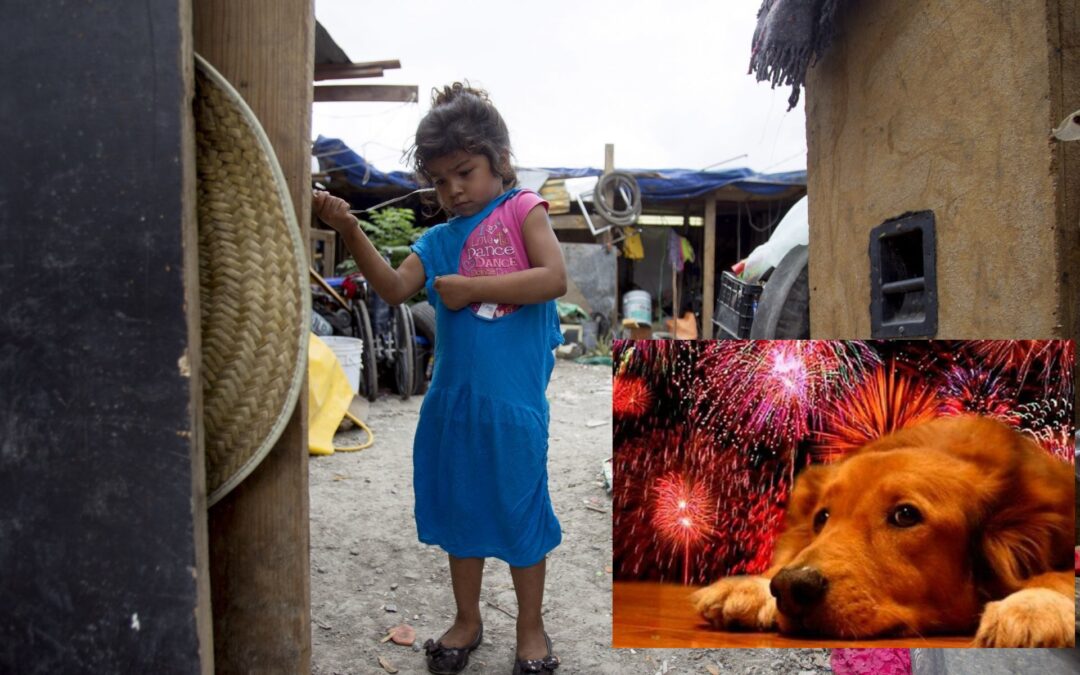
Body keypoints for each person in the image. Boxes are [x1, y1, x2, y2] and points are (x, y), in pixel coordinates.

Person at [312, 82, 567, 675]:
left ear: (500, 163)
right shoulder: (438, 240)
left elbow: (553, 278)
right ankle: (467, 618)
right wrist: (350, 228)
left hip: (513, 407)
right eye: (440, 179)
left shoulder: (521, 211)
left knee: (520, 509)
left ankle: (530, 627)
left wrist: (473, 288)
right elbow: (397, 288)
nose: (453, 190)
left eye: (465, 172)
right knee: (462, 510)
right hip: (454, 404)